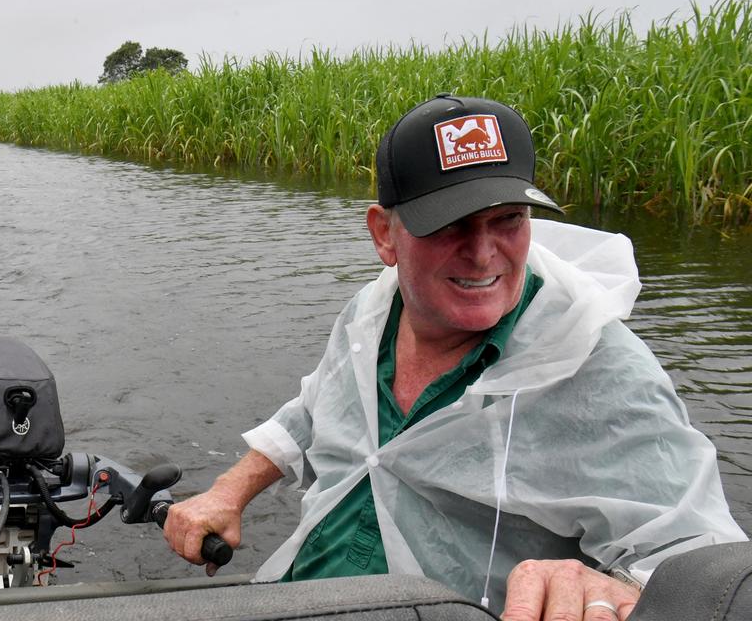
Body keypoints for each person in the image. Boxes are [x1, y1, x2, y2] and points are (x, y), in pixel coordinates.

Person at [162, 94, 747, 620]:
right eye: (450, 225)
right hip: (298, 597)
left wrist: (607, 583)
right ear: (384, 236)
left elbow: (699, 557)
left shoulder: (599, 367)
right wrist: (229, 490)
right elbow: (315, 408)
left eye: (508, 220)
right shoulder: (372, 313)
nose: (483, 254)